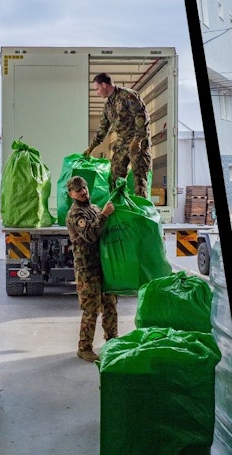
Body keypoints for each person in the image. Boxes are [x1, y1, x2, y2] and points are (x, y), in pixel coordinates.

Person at [65, 175, 117, 362]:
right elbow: (91, 235)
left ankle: (112, 341)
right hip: (87, 269)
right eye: (78, 190)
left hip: (103, 266)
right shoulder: (75, 214)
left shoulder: (93, 208)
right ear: (71, 194)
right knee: (91, 309)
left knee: (110, 304)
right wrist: (104, 215)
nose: (83, 192)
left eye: (84, 188)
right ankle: (84, 347)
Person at [84, 72, 152, 199]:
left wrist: (137, 141)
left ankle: (141, 207)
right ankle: (119, 204)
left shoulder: (128, 96)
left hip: (137, 141)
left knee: (139, 178)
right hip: (122, 141)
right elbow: (103, 128)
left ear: (104, 85)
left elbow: (142, 118)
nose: (97, 93)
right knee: (115, 175)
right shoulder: (108, 106)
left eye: (97, 89)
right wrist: (92, 147)